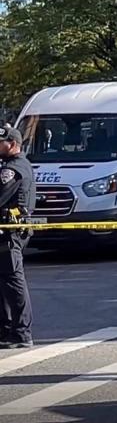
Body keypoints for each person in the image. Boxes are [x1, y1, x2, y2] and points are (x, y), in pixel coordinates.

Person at [0, 127, 35, 349]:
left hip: (10, 234)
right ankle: (6, 330)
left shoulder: (14, 169)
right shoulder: (11, 166)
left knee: (13, 282)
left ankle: (22, 332)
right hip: (5, 233)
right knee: (3, 284)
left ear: (12, 144)